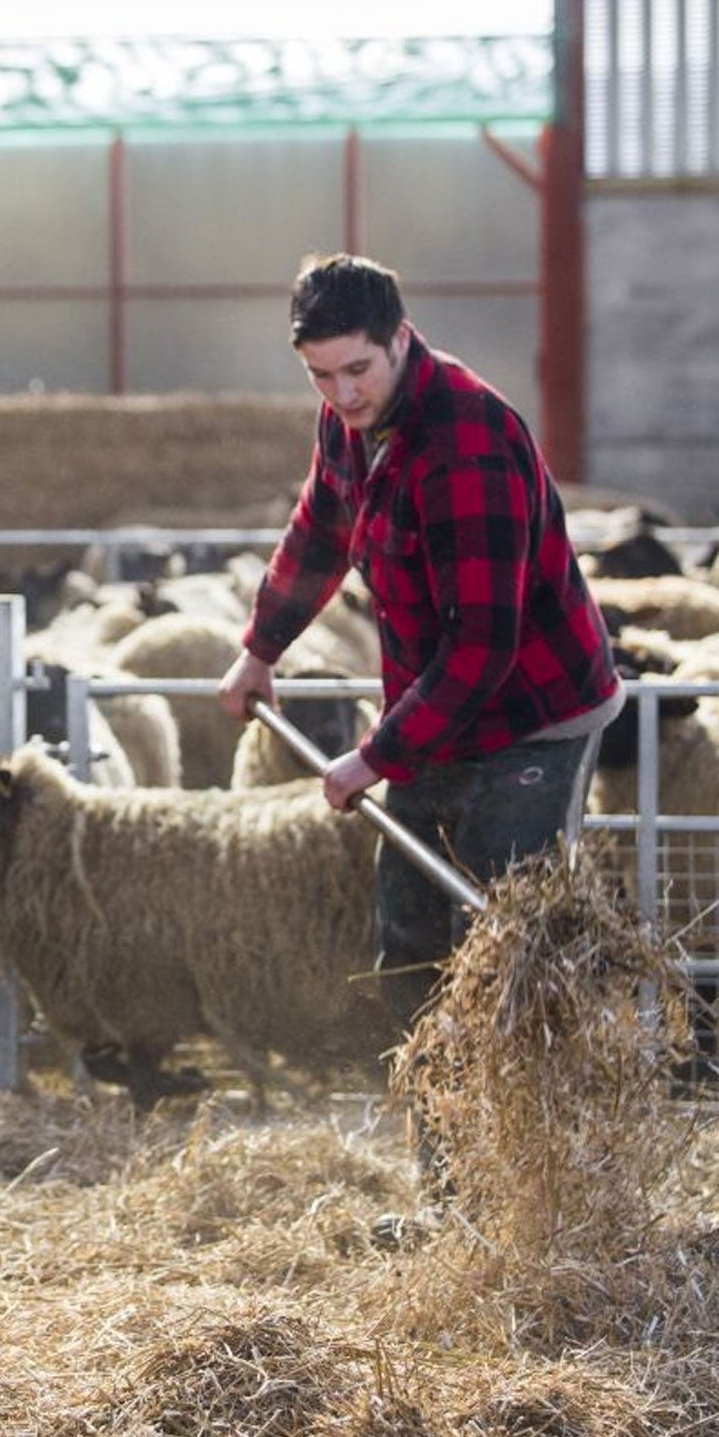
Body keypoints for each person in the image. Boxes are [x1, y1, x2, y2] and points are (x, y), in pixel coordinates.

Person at [219, 252, 621, 1055]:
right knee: (409, 940)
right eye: (321, 377)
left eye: (358, 370)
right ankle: (439, 1158)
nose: (343, 394)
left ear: (401, 338)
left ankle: (523, 1145)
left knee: (503, 944)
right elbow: (321, 529)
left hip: (530, 716)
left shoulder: (468, 445)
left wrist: (373, 755)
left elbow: (483, 644)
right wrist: (260, 648)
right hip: (434, 707)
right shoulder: (350, 421)